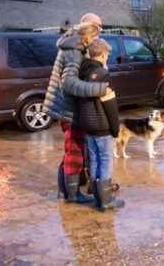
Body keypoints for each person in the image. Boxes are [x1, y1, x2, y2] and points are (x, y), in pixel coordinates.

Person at [44, 13, 111, 204]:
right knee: (74, 152)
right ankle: (73, 196)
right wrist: (99, 89)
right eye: (98, 30)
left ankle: (64, 191)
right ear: (90, 29)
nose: (99, 35)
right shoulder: (74, 49)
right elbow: (69, 83)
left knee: (70, 150)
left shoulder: (74, 44)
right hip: (68, 108)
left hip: (67, 107)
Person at [78, 38, 125, 211]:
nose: (108, 58)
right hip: (102, 125)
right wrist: (115, 127)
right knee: (105, 160)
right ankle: (105, 201)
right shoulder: (102, 74)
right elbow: (109, 104)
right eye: (108, 55)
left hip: (87, 125)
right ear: (103, 54)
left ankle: (97, 198)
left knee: (95, 160)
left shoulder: (80, 72)